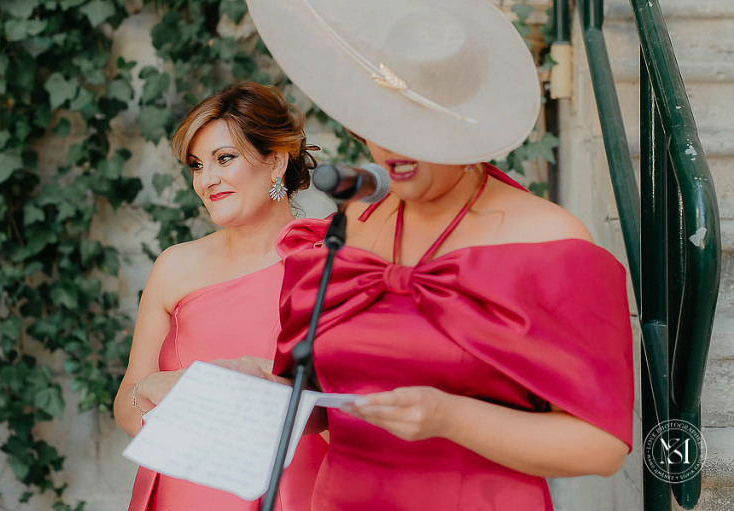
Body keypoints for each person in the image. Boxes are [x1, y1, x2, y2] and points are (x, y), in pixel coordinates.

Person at [244, 0, 635, 509]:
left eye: (417, 124)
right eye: (379, 120)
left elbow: (602, 446)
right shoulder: (348, 228)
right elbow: (324, 408)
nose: (392, 146)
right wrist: (266, 391)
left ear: (466, 123)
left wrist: (451, 419)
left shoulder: (548, 240)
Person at [113, 82, 327, 511]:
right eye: (196, 165)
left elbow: (355, 411)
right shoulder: (174, 266)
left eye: (224, 158)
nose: (206, 180)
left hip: (286, 492)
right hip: (181, 493)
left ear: (276, 161)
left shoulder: (328, 264)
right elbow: (126, 402)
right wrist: (150, 389)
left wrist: (267, 398)